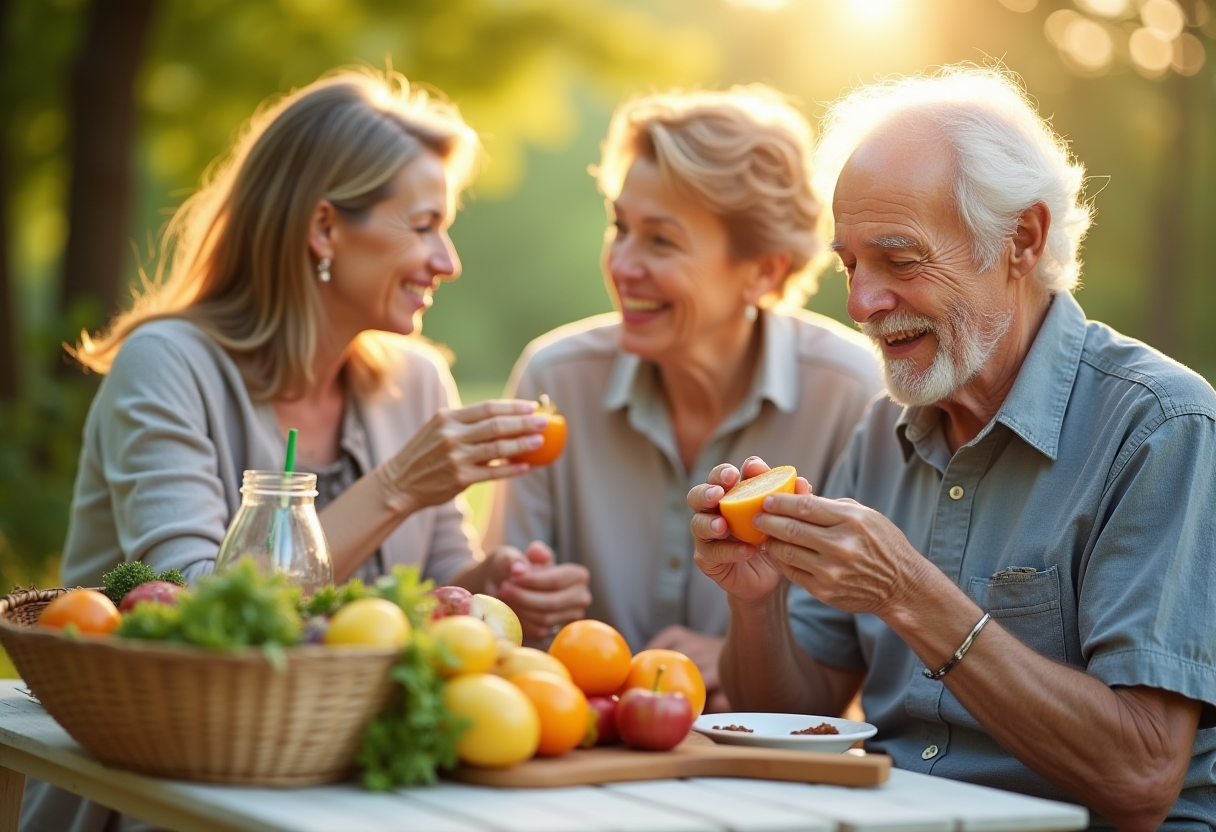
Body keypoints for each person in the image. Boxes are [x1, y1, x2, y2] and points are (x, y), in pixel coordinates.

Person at [23, 69, 589, 832]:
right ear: (324, 228)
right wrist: (394, 488)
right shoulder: (168, 366)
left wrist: (495, 590)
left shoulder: (418, 381)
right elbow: (204, 622)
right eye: (423, 225)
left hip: (361, 793)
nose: (448, 259)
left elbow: (434, 587)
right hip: (166, 793)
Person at [688, 65, 1216, 829]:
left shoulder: (1162, 427)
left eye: (900, 260)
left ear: (1022, 239)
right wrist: (756, 600)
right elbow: (791, 718)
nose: (861, 302)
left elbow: (1138, 778)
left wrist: (909, 591)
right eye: (850, 263)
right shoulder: (880, 430)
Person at [484, 85, 881, 712]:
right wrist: (520, 596)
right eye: (621, 227)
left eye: (661, 241)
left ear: (765, 271)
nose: (623, 263)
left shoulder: (853, 394)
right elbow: (502, 630)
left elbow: (832, 677)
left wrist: (736, 649)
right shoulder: (554, 378)